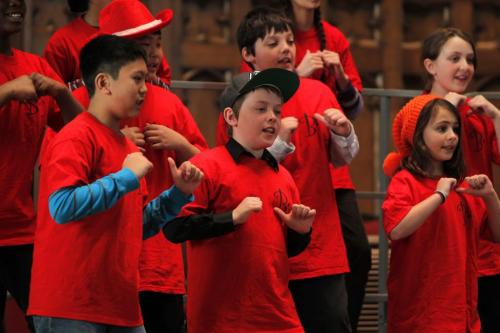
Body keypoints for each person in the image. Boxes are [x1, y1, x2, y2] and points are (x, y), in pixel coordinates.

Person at [27, 34, 203, 333]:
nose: (145, 89)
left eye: (146, 80)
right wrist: (124, 178)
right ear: (103, 83)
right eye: (136, 79)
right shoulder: (74, 136)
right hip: (71, 305)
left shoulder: (126, 146)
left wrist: (178, 194)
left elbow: (139, 224)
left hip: (120, 306)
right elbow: (61, 206)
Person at [217, 7, 359, 332]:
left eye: (290, 40)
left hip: (320, 245)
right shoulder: (238, 101)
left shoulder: (319, 91)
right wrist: (279, 143)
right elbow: (240, 172)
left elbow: (343, 159)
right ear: (248, 55)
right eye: (273, 42)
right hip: (261, 246)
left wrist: (345, 133)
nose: (286, 48)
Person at [70, 1, 208, 331]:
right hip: (99, 264)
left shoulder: (169, 103)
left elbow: (209, 167)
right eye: (142, 46)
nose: (152, 56)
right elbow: (61, 185)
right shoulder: (81, 107)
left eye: (155, 44)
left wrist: (181, 144)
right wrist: (113, 139)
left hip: (161, 264)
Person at [164, 68, 315, 333]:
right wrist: (231, 218)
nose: (272, 117)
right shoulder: (206, 165)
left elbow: (284, 251)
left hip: (278, 316)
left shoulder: (284, 177)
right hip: (221, 320)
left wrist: (300, 231)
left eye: (277, 111)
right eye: (260, 109)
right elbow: (174, 228)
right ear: (231, 117)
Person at [382, 95, 500, 333]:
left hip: (462, 317)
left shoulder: (464, 186)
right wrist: (438, 196)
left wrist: (490, 196)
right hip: (418, 319)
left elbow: (497, 235)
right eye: (441, 128)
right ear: (418, 138)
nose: (452, 136)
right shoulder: (404, 181)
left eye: (455, 129)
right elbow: (396, 228)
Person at [0, 0, 82, 330]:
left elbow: (84, 132)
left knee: (49, 325)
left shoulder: (35, 67)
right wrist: (5, 92)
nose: (15, 2)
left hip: (22, 231)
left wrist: (62, 94)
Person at [421, 28, 500, 333]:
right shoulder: (418, 112)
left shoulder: (477, 113)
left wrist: (495, 117)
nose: (465, 67)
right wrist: (447, 110)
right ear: (431, 66)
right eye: (454, 58)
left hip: (485, 248)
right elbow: (415, 163)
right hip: (443, 244)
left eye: (470, 59)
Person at [44, 0, 172, 88]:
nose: (153, 51)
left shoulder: (144, 35)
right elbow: (52, 100)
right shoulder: (62, 42)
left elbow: (163, 81)